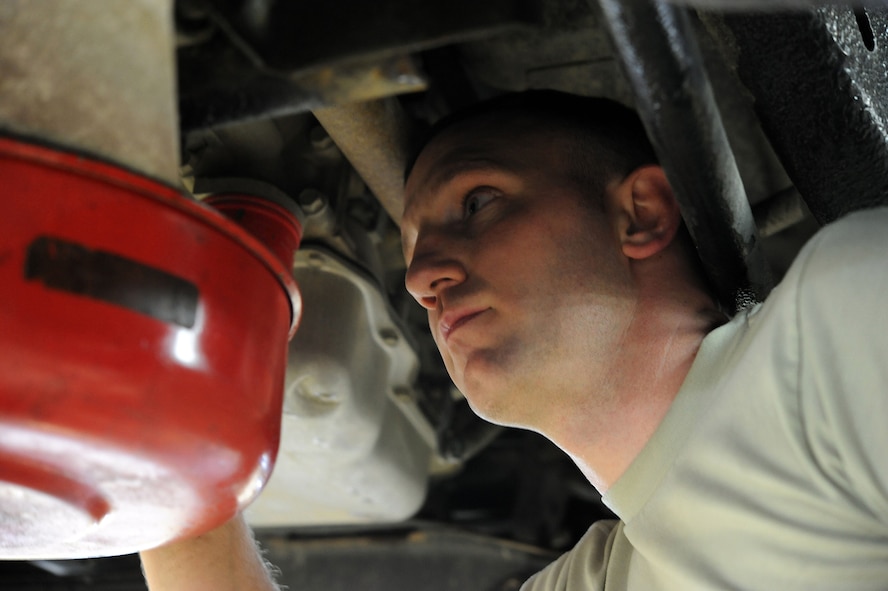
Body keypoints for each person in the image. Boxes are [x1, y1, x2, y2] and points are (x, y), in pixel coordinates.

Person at [140, 90, 888, 590]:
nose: (421, 276)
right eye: (410, 247)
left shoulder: (834, 323)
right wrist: (159, 449)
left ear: (641, 214)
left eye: (479, 201)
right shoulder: (624, 573)